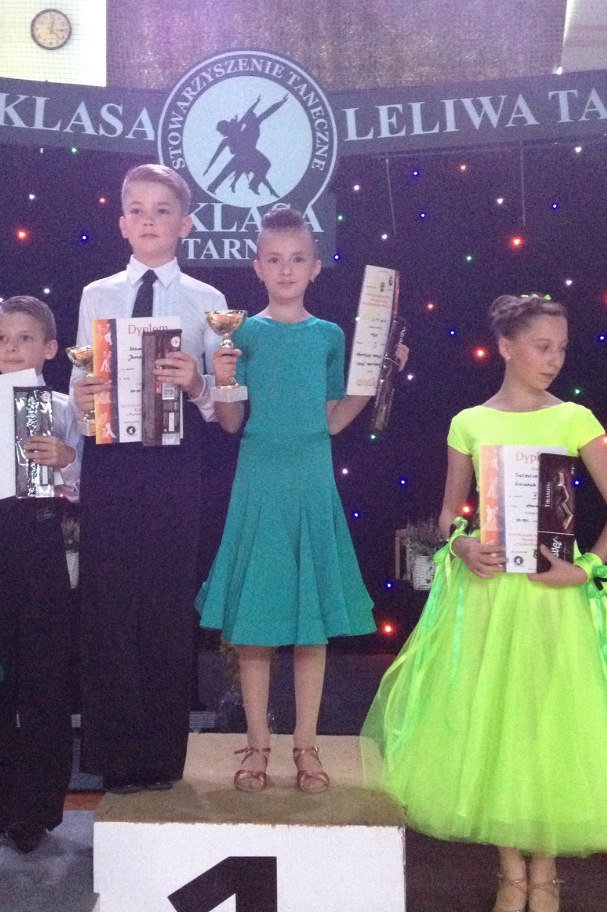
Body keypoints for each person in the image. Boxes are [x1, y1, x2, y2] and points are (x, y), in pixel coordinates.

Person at [363, 294, 607, 912]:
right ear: (506, 347)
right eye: (541, 347)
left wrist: (584, 570)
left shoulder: (574, 419)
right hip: (490, 596)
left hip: (552, 597)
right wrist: (461, 543)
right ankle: (510, 870)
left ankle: (546, 870)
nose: (554, 360)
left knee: (550, 720)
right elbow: (450, 514)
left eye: (561, 349)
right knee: (493, 721)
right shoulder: (470, 422)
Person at [196, 205, 405, 793]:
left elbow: (334, 419)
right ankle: (257, 745)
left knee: (311, 626)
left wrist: (377, 377)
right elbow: (231, 423)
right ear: (258, 267)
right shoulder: (242, 334)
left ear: (314, 267)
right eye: (274, 259)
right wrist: (223, 375)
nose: (285, 269)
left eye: (297, 259)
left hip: (312, 482)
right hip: (259, 481)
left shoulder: (329, 336)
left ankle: (307, 746)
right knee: (256, 625)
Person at [71, 163, 225, 793]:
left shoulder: (207, 300)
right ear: (121, 224)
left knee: (166, 603)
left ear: (185, 225)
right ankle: (113, 755)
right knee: (108, 602)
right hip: (112, 460)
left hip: (175, 463)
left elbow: (225, 402)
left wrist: (197, 383)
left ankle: (160, 757)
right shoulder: (97, 294)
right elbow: (81, 382)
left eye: (162, 210)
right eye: (136, 210)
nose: (149, 221)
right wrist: (82, 397)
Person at [0, 295, 82, 853]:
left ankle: (37, 811)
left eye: (26, 338)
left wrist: (67, 461)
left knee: (45, 684)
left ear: (50, 348)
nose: (12, 348)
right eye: (2, 338)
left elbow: (91, 485)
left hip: (44, 542)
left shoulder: (66, 408)